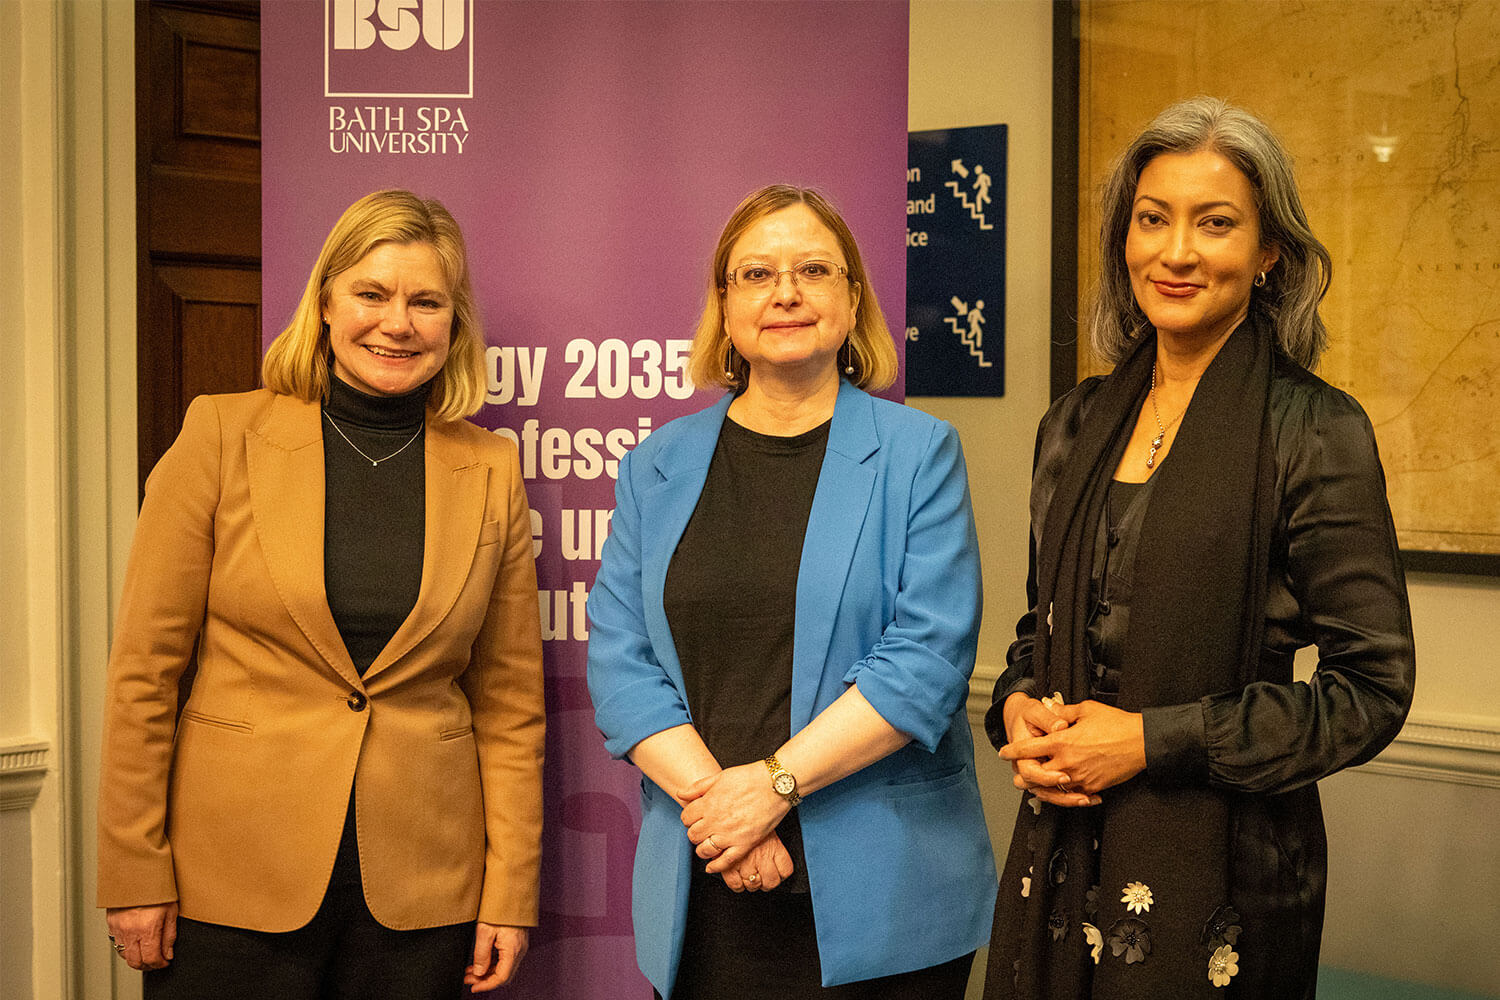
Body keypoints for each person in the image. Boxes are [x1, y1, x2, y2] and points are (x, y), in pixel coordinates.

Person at [983, 97, 1416, 999]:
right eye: (1153, 219)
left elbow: (1370, 692)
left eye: (1215, 224)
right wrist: (1018, 704)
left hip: (1228, 879)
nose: (1176, 252)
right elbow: (1043, 629)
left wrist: (1152, 741)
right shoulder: (1074, 424)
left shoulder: (1314, 431)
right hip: (1061, 858)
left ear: (1269, 253)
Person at [97, 189, 546, 999]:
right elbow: (143, 673)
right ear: (327, 303)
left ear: (454, 323)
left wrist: (509, 893)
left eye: (426, 302)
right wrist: (133, 868)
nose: (397, 323)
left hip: (422, 893)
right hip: (229, 879)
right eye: (372, 293)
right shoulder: (222, 435)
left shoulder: (490, 467)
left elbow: (510, 704)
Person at [586, 184, 996, 999]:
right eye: (757, 274)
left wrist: (771, 787)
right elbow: (621, 661)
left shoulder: (919, 454)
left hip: (884, 894)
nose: (786, 293)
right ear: (724, 304)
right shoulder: (655, 466)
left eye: (813, 270)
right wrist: (726, 813)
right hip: (708, 873)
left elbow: (925, 663)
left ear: (853, 299)